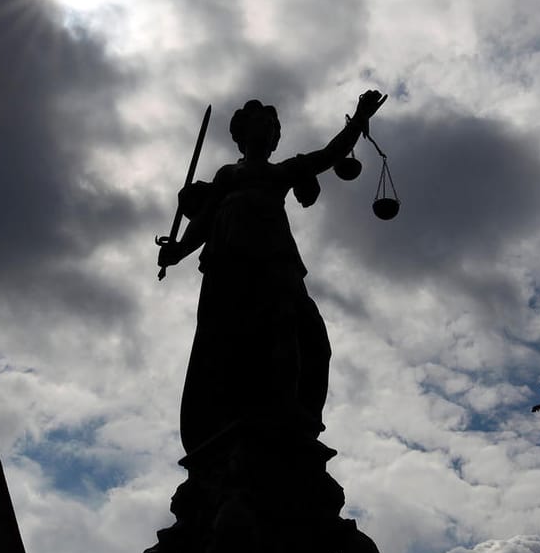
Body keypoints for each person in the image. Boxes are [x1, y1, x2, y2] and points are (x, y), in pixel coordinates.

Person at [157, 90, 386, 453]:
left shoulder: (284, 172)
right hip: (231, 267)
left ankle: (296, 412)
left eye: (272, 127)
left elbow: (329, 155)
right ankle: (257, 412)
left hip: (278, 263)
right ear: (242, 135)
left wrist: (359, 119)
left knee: (310, 336)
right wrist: (179, 251)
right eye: (260, 125)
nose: (267, 132)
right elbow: (203, 221)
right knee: (246, 338)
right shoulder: (228, 176)